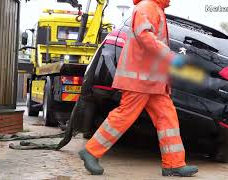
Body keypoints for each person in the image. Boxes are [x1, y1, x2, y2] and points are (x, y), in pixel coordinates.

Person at [79, 0, 198, 177]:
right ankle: (91, 151)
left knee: (167, 119)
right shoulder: (147, 7)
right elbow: (145, 36)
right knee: (125, 115)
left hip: (153, 81)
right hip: (140, 79)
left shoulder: (154, 8)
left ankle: (174, 164)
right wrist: (170, 57)